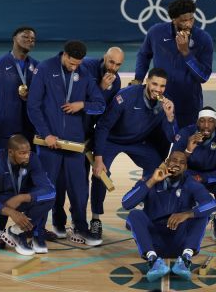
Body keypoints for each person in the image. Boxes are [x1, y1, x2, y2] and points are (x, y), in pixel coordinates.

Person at [27, 40, 105, 246]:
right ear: (64, 55)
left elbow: (100, 105)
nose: (74, 67)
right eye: (71, 63)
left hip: (74, 145)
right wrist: (46, 134)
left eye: (77, 64)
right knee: (46, 189)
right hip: (48, 144)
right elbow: (33, 106)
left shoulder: (85, 73)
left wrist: (82, 105)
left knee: (79, 190)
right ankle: (38, 232)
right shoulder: (45, 68)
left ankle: (80, 228)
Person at [91, 68, 178, 239]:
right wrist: (98, 158)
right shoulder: (125, 97)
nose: (158, 89)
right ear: (147, 81)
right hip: (112, 140)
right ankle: (95, 219)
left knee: (158, 171)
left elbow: (172, 137)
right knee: (100, 174)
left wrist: (169, 117)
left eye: (162, 86)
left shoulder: (165, 105)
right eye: (154, 84)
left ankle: (140, 206)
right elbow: (103, 127)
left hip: (138, 142)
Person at [0, 26, 40, 249]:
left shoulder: (36, 67)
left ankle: (21, 227)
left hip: (28, 135)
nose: (29, 40)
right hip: (4, 134)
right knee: (3, 182)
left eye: (33, 38)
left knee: (25, 181)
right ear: (13, 38)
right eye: (25, 36)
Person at [122, 151, 216, 282]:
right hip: (154, 242)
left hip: (181, 242)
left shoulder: (191, 183)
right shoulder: (151, 179)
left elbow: (212, 204)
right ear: (166, 162)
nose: (177, 164)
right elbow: (126, 203)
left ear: (186, 168)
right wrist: (152, 181)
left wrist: (188, 214)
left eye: (182, 162)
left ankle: (185, 260)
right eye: (174, 160)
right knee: (134, 215)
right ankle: (153, 261)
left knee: (202, 215)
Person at [0, 135, 55, 261]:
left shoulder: (33, 159)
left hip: (16, 197)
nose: (27, 156)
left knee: (48, 198)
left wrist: (23, 197)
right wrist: (9, 211)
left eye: (28, 152)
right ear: (11, 152)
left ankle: (17, 231)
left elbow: (49, 190)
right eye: (22, 153)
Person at [134, 0, 213, 129]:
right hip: (159, 101)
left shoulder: (204, 39)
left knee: (185, 145)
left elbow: (203, 77)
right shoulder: (156, 32)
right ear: (174, 19)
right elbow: (143, 55)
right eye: (183, 21)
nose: (189, 24)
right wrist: (138, 78)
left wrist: (186, 53)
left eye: (191, 19)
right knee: (157, 145)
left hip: (189, 104)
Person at [171, 106, 216, 242]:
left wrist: (204, 177)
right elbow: (173, 165)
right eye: (202, 121)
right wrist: (188, 150)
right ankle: (183, 217)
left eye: (210, 121)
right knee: (176, 184)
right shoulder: (185, 134)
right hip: (191, 175)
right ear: (197, 123)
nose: (206, 125)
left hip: (215, 176)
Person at [81, 47, 125, 239]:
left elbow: (104, 115)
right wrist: (99, 88)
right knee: (75, 180)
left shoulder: (117, 82)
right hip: (72, 128)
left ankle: (95, 219)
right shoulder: (85, 67)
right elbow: (75, 101)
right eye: (111, 62)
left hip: (93, 131)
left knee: (99, 172)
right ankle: (73, 221)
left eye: (118, 64)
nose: (113, 68)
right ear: (104, 58)